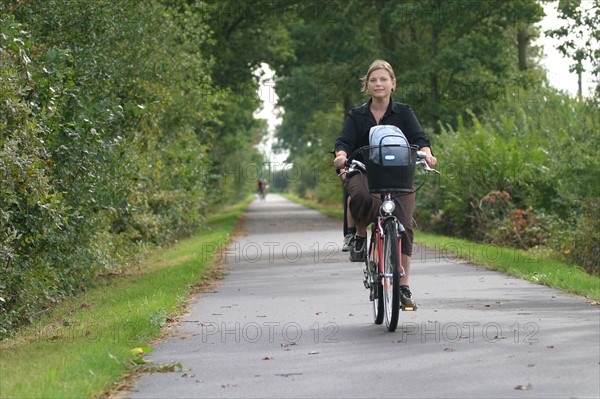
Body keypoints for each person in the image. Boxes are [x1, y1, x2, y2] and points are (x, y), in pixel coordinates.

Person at [333, 59, 437, 307]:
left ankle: (403, 288)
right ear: (367, 86)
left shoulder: (404, 112)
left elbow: (419, 138)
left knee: (404, 225)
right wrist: (341, 156)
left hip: (399, 174)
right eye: (373, 80)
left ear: (393, 84)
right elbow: (344, 141)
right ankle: (359, 235)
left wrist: (427, 153)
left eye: (383, 79)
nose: (378, 83)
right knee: (360, 195)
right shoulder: (357, 115)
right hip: (365, 169)